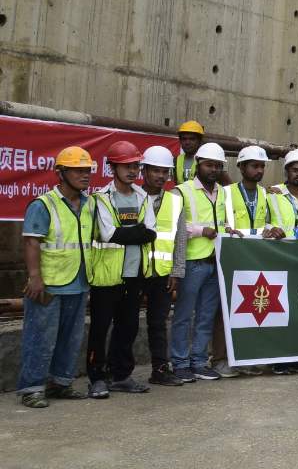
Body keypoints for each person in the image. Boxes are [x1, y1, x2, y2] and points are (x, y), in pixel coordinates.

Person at [17, 147, 100, 408]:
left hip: (78, 281)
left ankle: (60, 383)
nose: (85, 175)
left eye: (87, 170)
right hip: (49, 284)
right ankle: (32, 388)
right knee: (40, 338)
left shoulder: (89, 204)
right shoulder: (43, 205)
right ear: (60, 174)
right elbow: (32, 242)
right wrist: (34, 277)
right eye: (78, 170)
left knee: (70, 338)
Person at [83, 141, 157, 399]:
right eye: (126, 166)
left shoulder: (142, 196)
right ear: (112, 167)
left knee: (128, 327)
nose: (132, 170)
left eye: (135, 165)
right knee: (100, 327)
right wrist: (136, 233)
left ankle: (121, 376)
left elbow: (151, 232)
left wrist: (129, 234)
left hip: (135, 273)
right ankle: (96, 378)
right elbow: (108, 233)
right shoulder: (101, 198)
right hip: (107, 274)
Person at [170, 141, 228, 382]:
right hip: (192, 262)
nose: (213, 169)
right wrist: (200, 230)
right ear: (198, 165)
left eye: (217, 165)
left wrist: (228, 230)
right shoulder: (181, 192)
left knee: (205, 315)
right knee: (184, 315)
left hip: (215, 263)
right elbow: (172, 224)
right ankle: (181, 363)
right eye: (208, 165)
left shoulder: (223, 192)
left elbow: (223, 222)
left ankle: (198, 361)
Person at [136, 147, 185, 385]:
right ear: (143, 170)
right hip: (134, 272)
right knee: (126, 322)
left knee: (158, 323)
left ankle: (160, 370)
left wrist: (176, 271)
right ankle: (118, 371)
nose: (160, 175)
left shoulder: (175, 201)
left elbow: (180, 239)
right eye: (155, 170)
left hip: (162, 274)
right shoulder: (131, 197)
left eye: (164, 171)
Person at [174, 120, 205, 185]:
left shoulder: (207, 161)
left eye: (192, 139)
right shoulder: (175, 161)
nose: (187, 142)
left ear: (200, 141)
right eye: (184, 139)